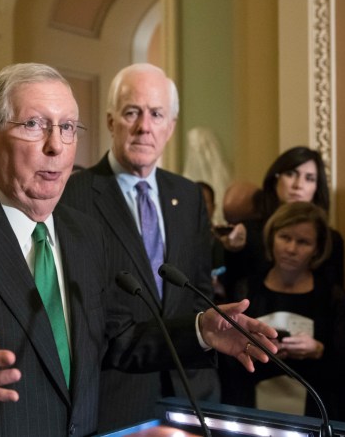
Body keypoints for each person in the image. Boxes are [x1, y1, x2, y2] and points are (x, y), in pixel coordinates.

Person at [0, 63, 278, 437]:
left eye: (67, 128)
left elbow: (118, 339)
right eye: (34, 125)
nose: (55, 147)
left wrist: (201, 330)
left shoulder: (85, 234)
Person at [61, 63, 221, 432]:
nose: (144, 126)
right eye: (132, 112)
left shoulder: (188, 194)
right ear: (110, 120)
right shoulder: (73, 195)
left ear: (171, 126)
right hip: (116, 398)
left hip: (192, 394)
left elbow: (199, 291)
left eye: (156, 114)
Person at [220, 202, 345, 419]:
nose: (291, 249)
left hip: (315, 413)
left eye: (303, 242)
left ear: (317, 249)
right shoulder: (246, 290)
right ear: (272, 238)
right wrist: (252, 349)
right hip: (250, 411)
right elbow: (226, 363)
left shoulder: (332, 297)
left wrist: (319, 351)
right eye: (285, 237)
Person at [222, 146, 345, 302]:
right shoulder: (248, 233)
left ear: (317, 188)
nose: (298, 185)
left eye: (309, 178)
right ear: (275, 179)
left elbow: (335, 301)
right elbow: (233, 294)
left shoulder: (331, 240)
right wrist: (233, 250)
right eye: (290, 174)